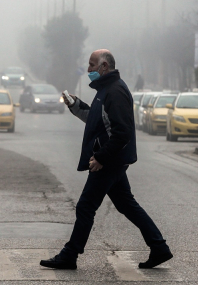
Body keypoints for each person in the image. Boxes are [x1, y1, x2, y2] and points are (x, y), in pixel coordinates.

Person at [39, 49, 172, 270]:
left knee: (85, 206)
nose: (89, 69)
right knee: (127, 205)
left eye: (92, 65)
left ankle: (70, 254)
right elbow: (96, 120)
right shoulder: (105, 90)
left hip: (110, 160)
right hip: (113, 159)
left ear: (104, 67)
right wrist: (75, 104)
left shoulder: (115, 91)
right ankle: (159, 248)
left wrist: (101, 157)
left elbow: (122, 132)